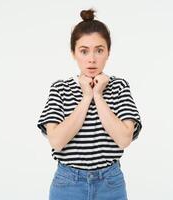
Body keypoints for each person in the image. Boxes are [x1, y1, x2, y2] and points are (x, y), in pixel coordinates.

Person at [37, 8, 142, 200]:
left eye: (99, 50)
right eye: (84, 51)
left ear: (108, 52)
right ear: (73, 53)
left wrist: (98, 95)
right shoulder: (60, 89)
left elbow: (124, 139)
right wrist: (86, 97)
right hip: (67, 183)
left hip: (110, 183)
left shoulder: (119, 87)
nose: (92, 59)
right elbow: (57, 141)